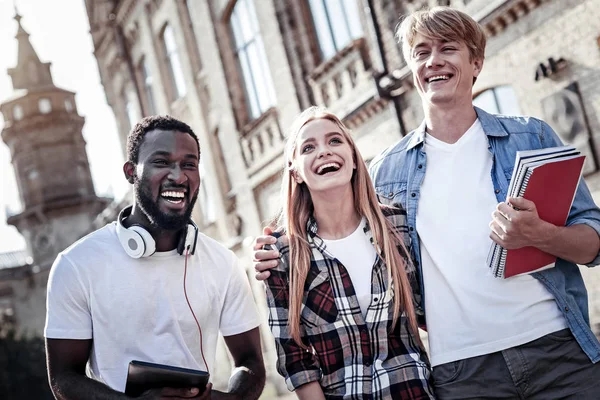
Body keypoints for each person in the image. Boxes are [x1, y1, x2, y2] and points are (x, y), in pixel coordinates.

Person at [254, 6, 600, 399]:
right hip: (464, 374)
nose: (433, 60)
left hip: (559, 351)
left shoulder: (530, 138)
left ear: (476, 63)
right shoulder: (386, 172)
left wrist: (542, 234)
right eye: (421, 52)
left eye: (447, 48)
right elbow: (330, 224)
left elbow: (593, 244)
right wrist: (274, 248)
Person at [45, 115, 265, 400]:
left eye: (189, 164)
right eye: (161, 162)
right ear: (130, 173)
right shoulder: (75, 265)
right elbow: (64, 377)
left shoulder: (222, 262)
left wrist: (231, 398)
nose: (178, 175)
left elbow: (250, 362)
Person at [263, 106, 434, 399]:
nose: (324, 152)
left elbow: (429, 310)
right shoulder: (283, 255)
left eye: (334, 141)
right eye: (308, 147)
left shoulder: (396, 224)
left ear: (354, 159)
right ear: (296, 171)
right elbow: (295, 361)